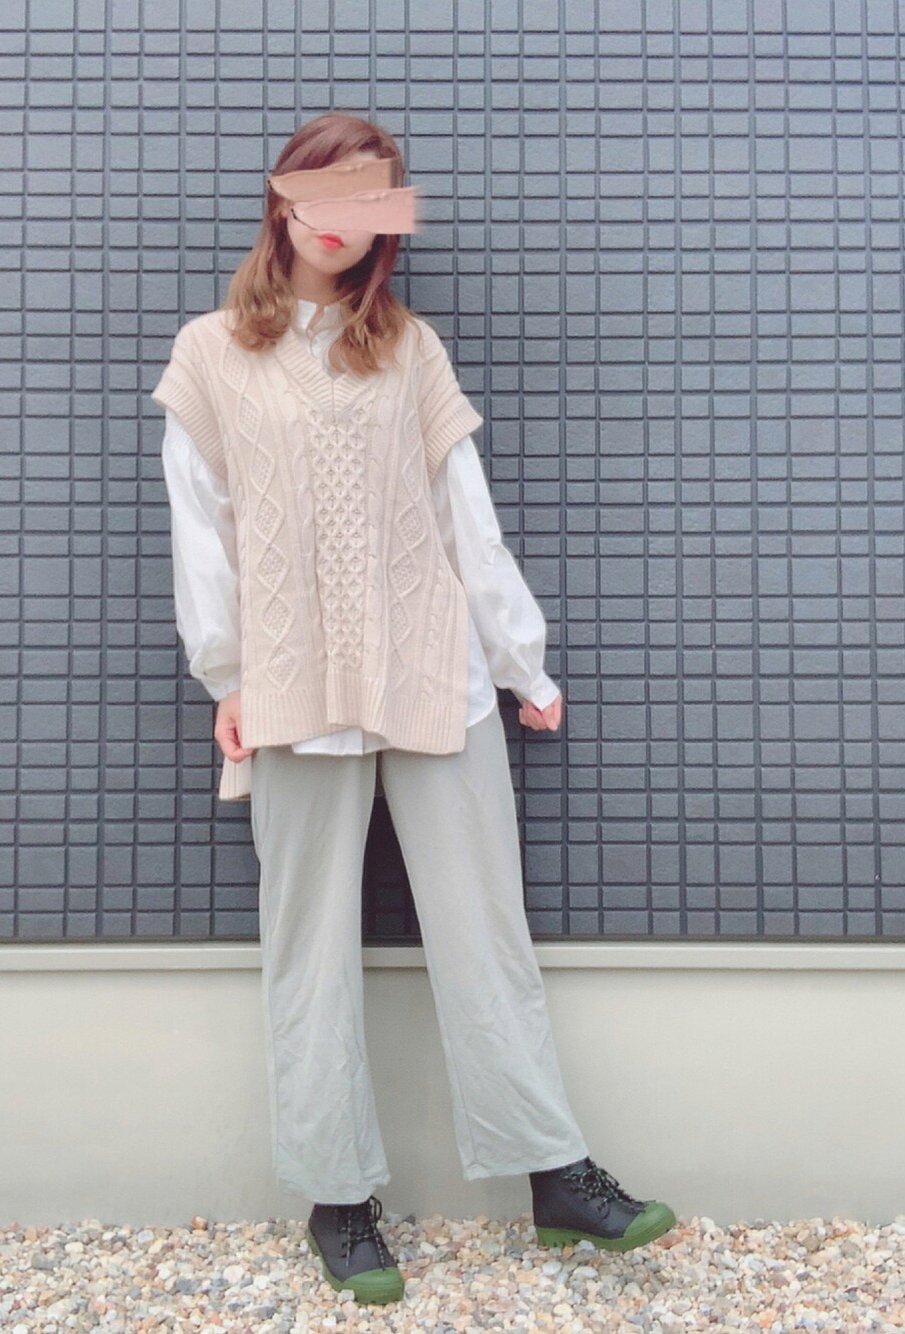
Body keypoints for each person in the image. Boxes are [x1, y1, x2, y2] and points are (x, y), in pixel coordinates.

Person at [152, 110, 676, 1308]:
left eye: (368, 198)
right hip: (292, 683)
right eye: (323, 191)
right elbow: (200, 532)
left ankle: (552, 1172)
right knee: (308, 944)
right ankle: (337, 1197)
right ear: (283, 199)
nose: (340, 220)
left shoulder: (409, 348)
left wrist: (521, 661)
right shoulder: (210, 353)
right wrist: (227, 675)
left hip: (435, 669)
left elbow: (461, 517)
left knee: (485, 925)